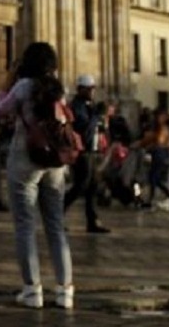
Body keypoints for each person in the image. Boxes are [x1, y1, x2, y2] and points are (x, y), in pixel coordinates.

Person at [0, 42, 73, 310]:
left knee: (25, 226)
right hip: (55, 163)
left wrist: (5, 88)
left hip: (25, 158)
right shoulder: (59, 89)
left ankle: (32, 290)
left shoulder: (23, 87)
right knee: (55, 226)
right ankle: (64, 291)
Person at [62, 75, 111, 233]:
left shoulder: (88, 105)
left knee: (92, 187)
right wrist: (96, 115)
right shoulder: (77, 106)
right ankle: (57, 214)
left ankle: (92, 221)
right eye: (89, 89)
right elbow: (84, 131)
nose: (92, 91)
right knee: (81, 186)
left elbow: (96, 128)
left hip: (92, 150)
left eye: (93, 88)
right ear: (81, 89)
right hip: (83, 151)